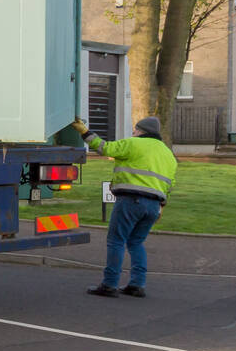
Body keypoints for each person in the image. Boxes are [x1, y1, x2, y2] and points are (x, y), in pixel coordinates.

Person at [70, 115, 176, 298]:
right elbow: (169, 183)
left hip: (131, 200)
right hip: (153, 206)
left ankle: (109, 284)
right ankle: (137, 284)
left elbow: (105, 147)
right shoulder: (168, 154)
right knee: (136, 242)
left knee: (116, 240)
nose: (133, 132)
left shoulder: (134, 143)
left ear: (141, 130)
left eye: (135, 129)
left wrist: (84, 131)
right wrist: (161, 206)